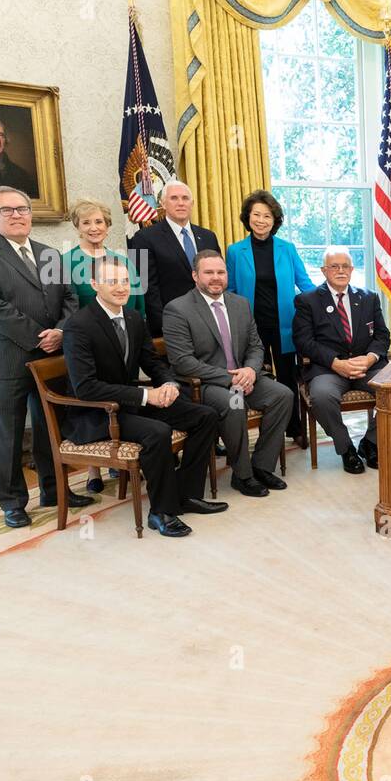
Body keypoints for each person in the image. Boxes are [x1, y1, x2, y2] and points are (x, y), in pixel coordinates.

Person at [61, 255, 226, 537]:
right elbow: (85, 387)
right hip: (96, 413)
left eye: (125, 281)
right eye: (112, 282)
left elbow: (153, 363)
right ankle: (161, 512)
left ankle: (185, 494)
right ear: (94, 285)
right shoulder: (79, 325)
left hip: (129, 404)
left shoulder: (134, 318)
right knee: (157, 431)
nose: (121, 287)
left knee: (205, 416)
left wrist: (170, 385)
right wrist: (145, 396)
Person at [0, 186, 90, 529]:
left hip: (51, 358)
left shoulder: (49, 254)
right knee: (9, 434)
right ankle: (13, 502)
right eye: (7, 210)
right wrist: (40, 338)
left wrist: (61, 331)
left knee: (52, 428)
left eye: (22, 209)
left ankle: (54, 489)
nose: (17, 215)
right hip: (9, 359)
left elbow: (70, 298)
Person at [163, 251, 293, 498]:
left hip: (245, 376)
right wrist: (231, 379)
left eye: (220, 272)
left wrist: (250, 371)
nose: (216, 278)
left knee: (283, 395)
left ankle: (262, 466)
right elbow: (182, 362)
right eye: (208, 272)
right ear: (195, 276)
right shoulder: (177, 309)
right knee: (234, 403)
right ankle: (242, 475)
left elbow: (256, 346)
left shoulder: (240, 303)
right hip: (208, 383)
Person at [62, 198, 144, 493]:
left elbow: (137, 302)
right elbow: (65, 306)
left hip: (123, 338)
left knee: (124, 395)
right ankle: (93, 469)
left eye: (99, 222)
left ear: (108, 227)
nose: (93, 228)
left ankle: (122, 459)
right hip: (86, 343)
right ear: (77, 227)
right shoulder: (65, 262)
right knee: (94, 403)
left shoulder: (126, 261)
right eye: (86, 223)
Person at [225, 190, 316, 450]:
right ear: (248, 217)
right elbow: (230, 288)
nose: (261, 220)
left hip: (284, 325)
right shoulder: (235, 251)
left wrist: (324, 301)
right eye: (256, 215)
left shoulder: (287, 249)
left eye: (267, 216)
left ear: (274, 220)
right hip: (250, 328)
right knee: (254, 380)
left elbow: (304, 283)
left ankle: (294, 428)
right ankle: (255, 433)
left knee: (287, 378)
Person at [293, 247, 390, 473]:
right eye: (334, 266)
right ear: (324, 270)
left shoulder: (368, 298)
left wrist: (368, 359)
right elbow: (304, 341)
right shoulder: (307, 300)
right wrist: (336, 363)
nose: (340, 271)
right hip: (328, 369)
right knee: (321, 396)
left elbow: (382, 335)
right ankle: (346, 449)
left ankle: (371, 442)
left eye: (345, 266)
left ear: (352, 269)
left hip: (366, 367)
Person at [127, 180, 220, 336]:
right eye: (174, 198)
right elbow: (144, 286)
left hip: (210, 320)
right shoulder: (142, 238)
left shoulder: (209, 237)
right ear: (162, 203)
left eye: (185, 198)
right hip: (170, 323)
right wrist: (164, 325)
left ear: (192, 203)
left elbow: (218, 277)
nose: (180, 203)